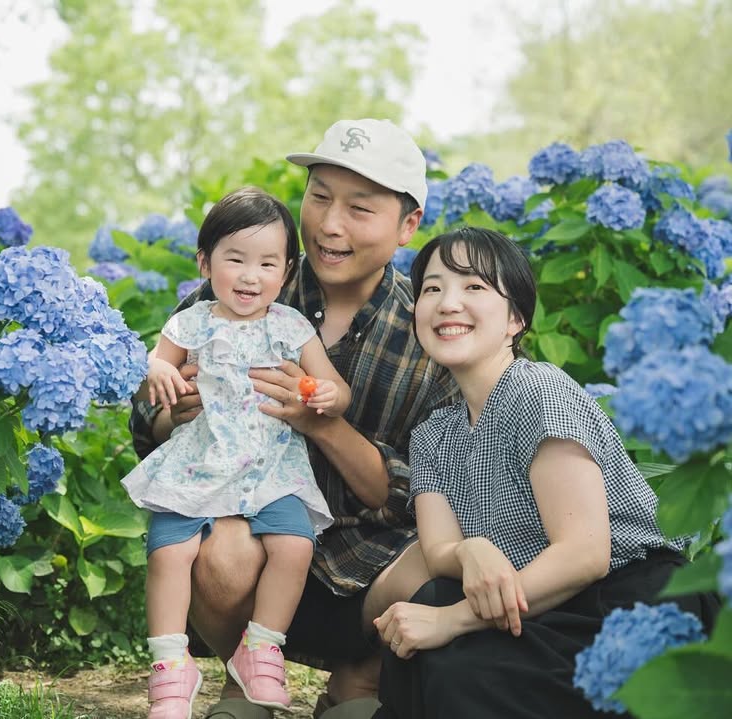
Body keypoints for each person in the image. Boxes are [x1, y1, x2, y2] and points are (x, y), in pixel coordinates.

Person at [129, 119, 459, 719]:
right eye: (320, 197)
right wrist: (171, 414)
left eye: (360, 208)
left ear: (408, 225)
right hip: (249, 539)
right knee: (215, 546)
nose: (330, 224)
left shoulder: (425, 330)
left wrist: (324, 426)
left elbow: (417, 493)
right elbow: (145, 421)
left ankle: (361, 678)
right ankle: (244, 680)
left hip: (368, 563)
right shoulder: (242, 280)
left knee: (446, 557)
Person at [372, 227, 718, 718]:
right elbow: (438, 550)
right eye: (433, 288)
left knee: (450, 650)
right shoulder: (434, 434)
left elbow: (585, 555)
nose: (448, 302)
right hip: (537, 602)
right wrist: (472, 549)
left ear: (515, 318)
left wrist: (453, 619)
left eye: (473, 287)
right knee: (430, 600)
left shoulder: (538, 392)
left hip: (624, 604)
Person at [123, 187, 353, 718]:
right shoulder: (192, 322)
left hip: (271, 464)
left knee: (294, 546)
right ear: (205, 263)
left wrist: (325, 395)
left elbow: (334, 386)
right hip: (200, 461)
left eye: (268, 263)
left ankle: (261, 646)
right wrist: (155, 369)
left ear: (288, 270)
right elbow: (152, 373)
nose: (251, 276)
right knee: (168, 551)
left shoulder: (291, 327)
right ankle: (169, 666)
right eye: (235, 259)